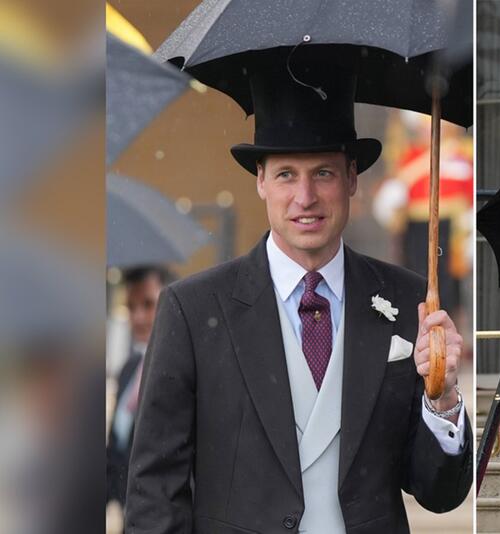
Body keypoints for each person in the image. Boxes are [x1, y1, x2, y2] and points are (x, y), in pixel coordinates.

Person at [124, 61, 472, 534]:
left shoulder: (410, 300)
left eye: (323, 173)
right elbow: (154, 494)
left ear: (352, 178)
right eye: (287, 174)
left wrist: (443, 397)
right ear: (260, 181)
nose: (305, 197)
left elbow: (440, 494)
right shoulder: (192, 310)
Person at [106, 265, 173, 511]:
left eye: (148, 304)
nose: (138, 317)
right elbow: (116, 448)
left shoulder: (185, 372)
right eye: (131, 307)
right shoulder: (129, 368)